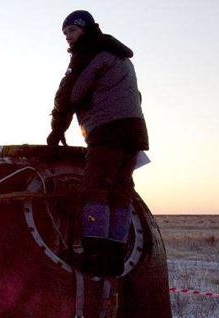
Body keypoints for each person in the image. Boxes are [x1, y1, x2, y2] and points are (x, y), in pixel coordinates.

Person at [47, 10, 149, 276]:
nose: (68, 37)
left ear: (86, 29)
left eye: (72, 30)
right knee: (121, 191)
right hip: (134, 132)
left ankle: (94, 254)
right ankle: (115, 257)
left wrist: (57, 128)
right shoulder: (119, 56)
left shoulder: (88, 53)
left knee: (96, 189)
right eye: (65, 33)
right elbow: (135, 95)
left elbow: (70, 94)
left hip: (107, 132)